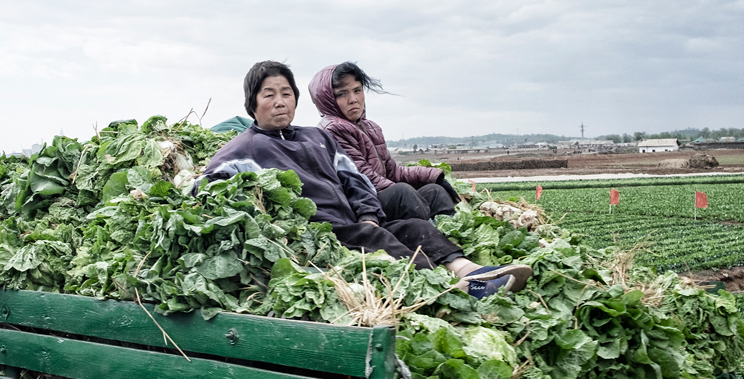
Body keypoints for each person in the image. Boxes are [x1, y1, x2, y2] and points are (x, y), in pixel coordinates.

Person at [201, 60, 529, 297]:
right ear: (252, 103)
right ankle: (452, 292)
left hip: (354, 224)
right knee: (378, 241)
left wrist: (370, 215)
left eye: (286, 93)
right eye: (268, 94)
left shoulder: (316, 136)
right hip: (319, 235)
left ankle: (472, 272)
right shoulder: (245, 148)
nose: (279, 101)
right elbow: (202, 186)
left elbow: (356, 181)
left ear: (296, 99)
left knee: (414, 228)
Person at [310, 62, 459, 222]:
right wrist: (407, 194)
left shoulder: (371, 127)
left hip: (381, 195)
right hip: (362, 206)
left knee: (434, 190)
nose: (353, 99)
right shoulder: (333, 130)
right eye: (342, 94)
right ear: (327, 99)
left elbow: (393, 171)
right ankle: (428, 237)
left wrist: (434, 176)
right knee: (402, 192)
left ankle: (451, 233)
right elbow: (363, 178)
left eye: (357, 91)